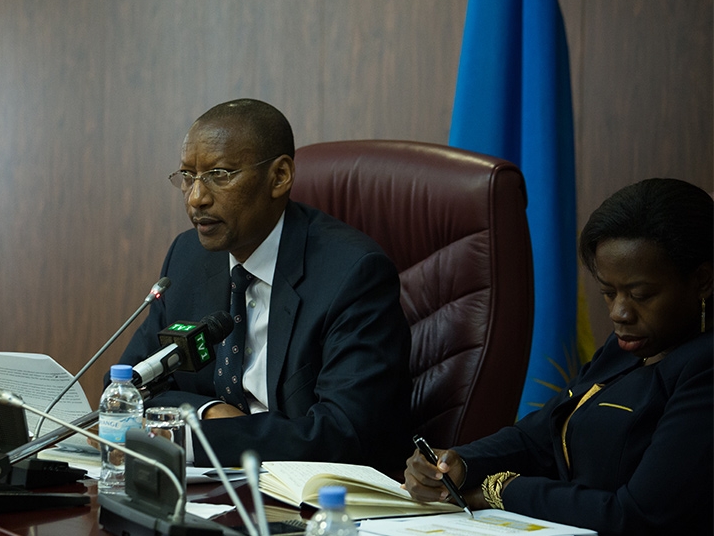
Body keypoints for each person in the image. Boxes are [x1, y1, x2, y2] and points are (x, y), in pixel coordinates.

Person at [403, 178, 713, 535]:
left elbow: (636, 516)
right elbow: (539, 435)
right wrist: (457, 464)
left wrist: (502, 490)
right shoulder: (627, 348)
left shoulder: (703, 368)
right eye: (609, 293)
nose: (619, 313)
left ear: (702, 280)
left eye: (640, 295)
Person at [115, 98, 413, 470]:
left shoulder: (354, 275)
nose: (196, 198)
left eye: (220, 174)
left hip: (318, 501)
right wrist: (207, 413)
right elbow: (127, 391)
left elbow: (343, 433)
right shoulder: (188, 256)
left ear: (280, 177)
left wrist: (196, 437)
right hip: (215, 488)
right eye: (187, 176)